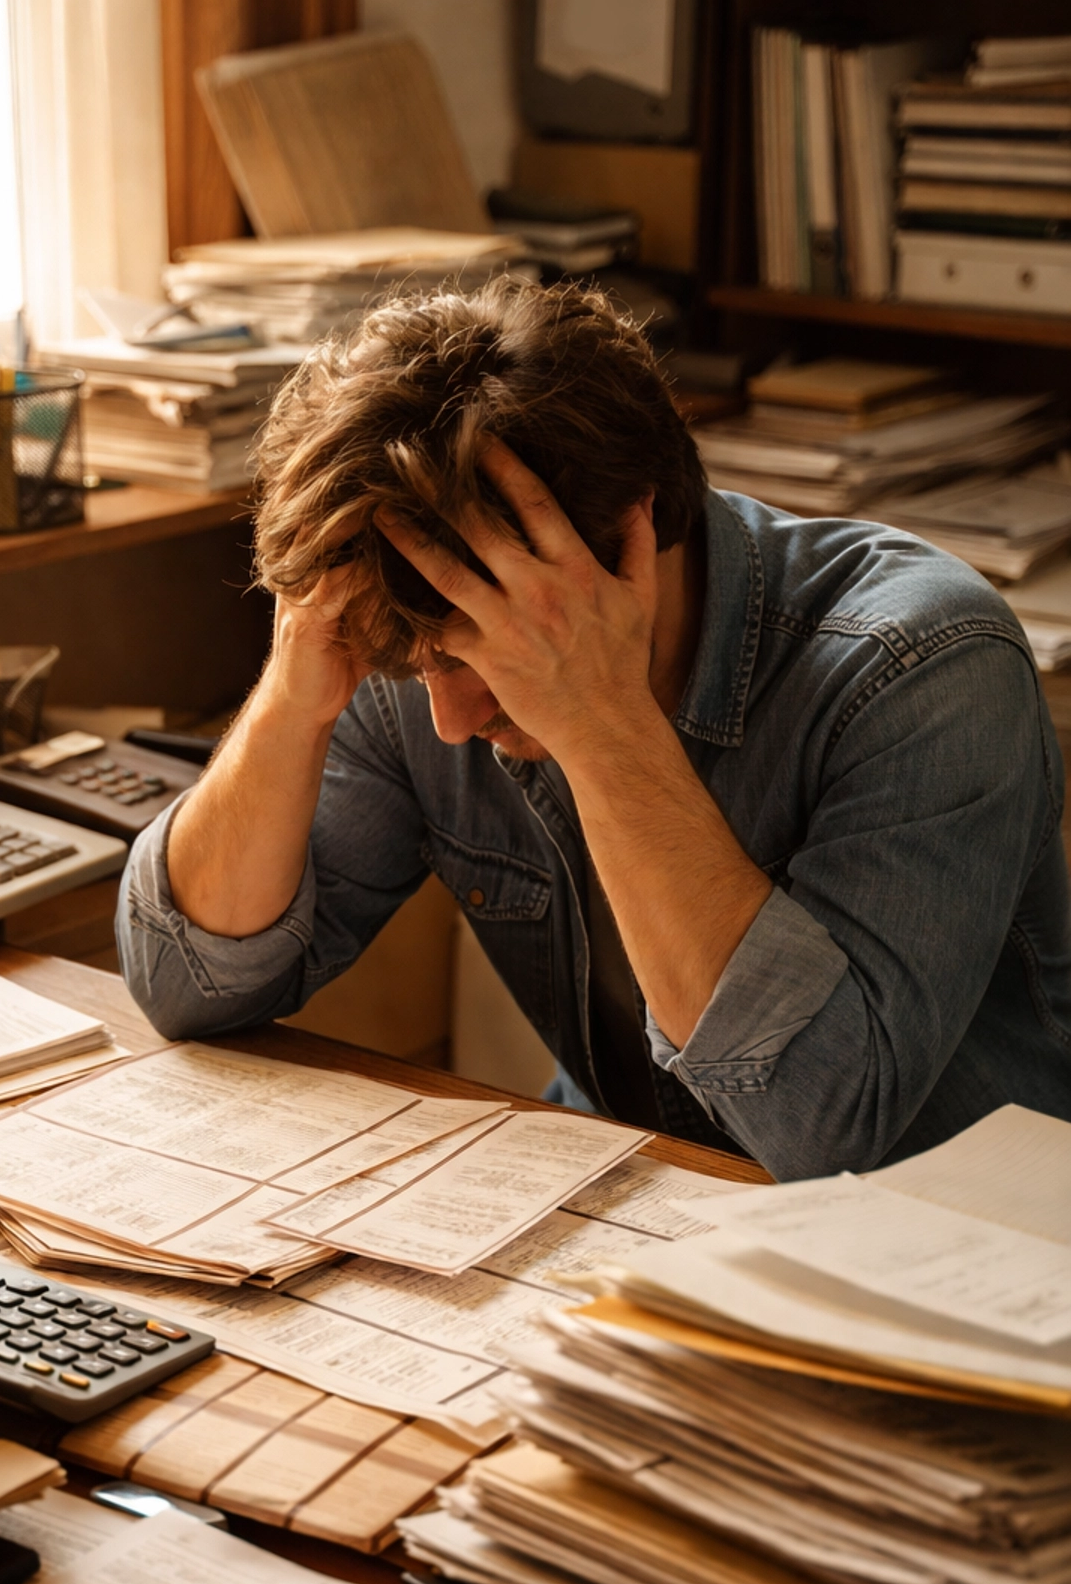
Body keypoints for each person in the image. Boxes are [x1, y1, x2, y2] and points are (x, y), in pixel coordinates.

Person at [117, 279, 1071, 1178]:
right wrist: (293, 694)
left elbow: (816, 1126)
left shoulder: (925, 668)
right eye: (416, 670)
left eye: (485, 662)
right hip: (636, 1201)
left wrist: (601, 722)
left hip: (965, 1258)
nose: (446, 722)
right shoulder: (419, 648)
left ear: (628, 543)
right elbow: (184, 983)